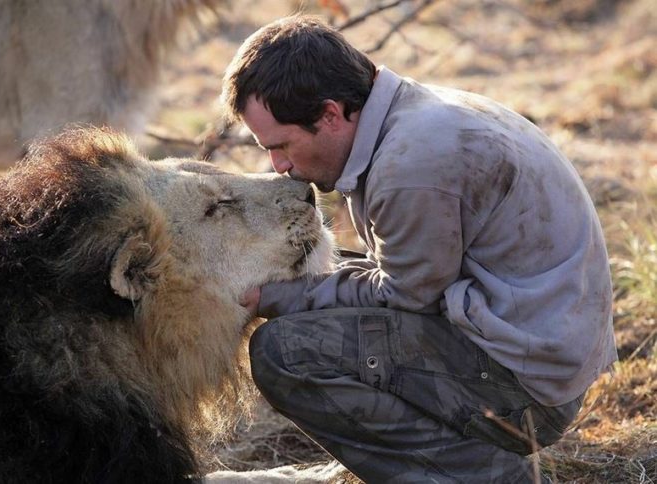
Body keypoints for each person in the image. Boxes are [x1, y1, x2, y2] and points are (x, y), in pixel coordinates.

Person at [222, 15, 616, 483]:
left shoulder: (411, 164)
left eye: (282, 144)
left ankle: (481, 472)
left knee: (286, 351)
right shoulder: (409, 115)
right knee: (319, 282)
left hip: (528, 394)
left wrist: (274, 299)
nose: (279, 165)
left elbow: (403, 296)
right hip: (534, 343)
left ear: (330, 114)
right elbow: (403, 278)